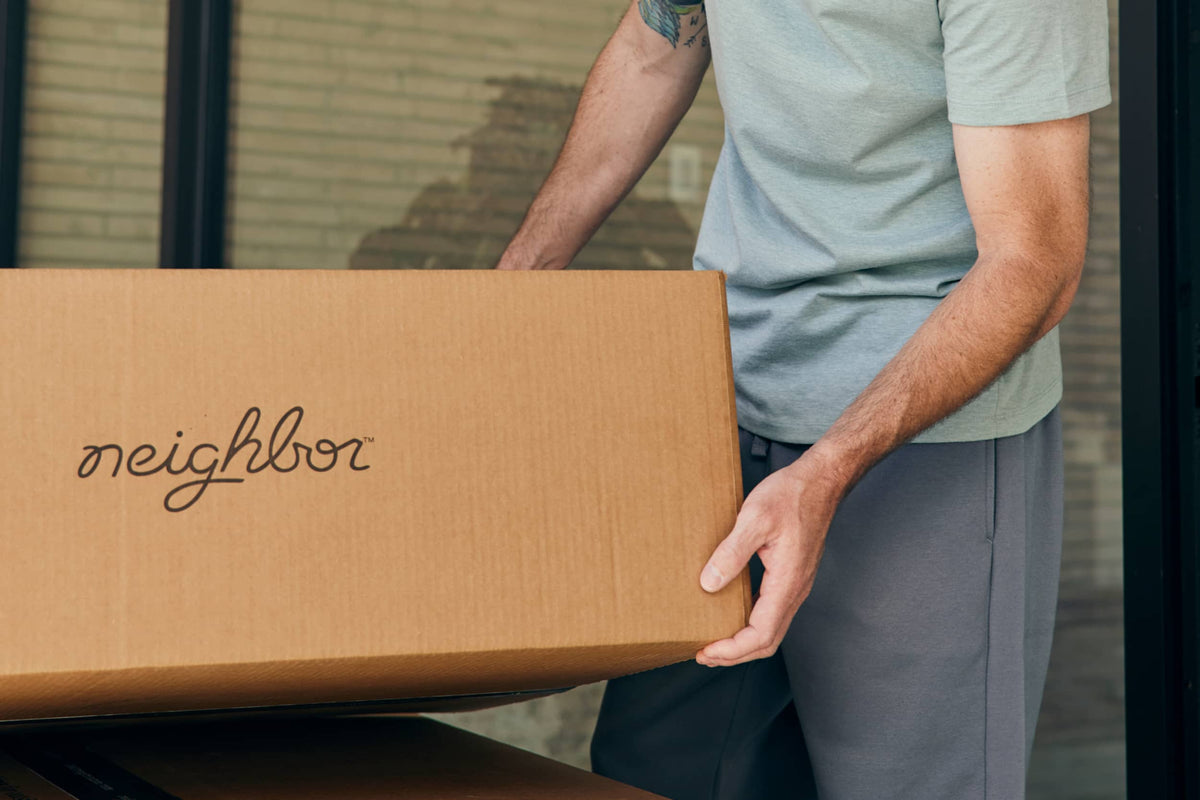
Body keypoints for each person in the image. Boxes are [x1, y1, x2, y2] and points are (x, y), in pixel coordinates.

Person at [496, 0, 1111, 795]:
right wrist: (512, 296)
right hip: (725, 394)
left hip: (927, 436)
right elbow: (658, 45)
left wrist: (827, 471)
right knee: (660, 772)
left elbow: (1036, 261)